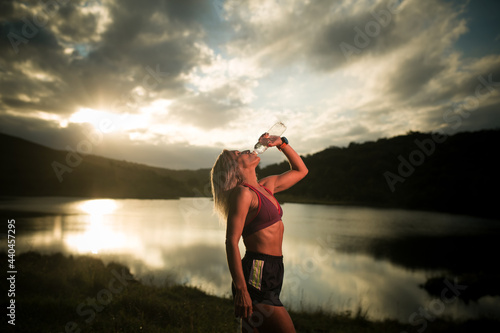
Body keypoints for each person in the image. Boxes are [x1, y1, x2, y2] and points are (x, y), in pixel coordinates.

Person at [211, 134, 308, 333]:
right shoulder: (243, 194)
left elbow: (301, 171)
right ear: (234, 169)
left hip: (273, 269)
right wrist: (241, 290)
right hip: (258, 271)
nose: (246, 150)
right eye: (238, 154)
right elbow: (231, 241)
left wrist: (281, 144)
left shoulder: (266, 187)